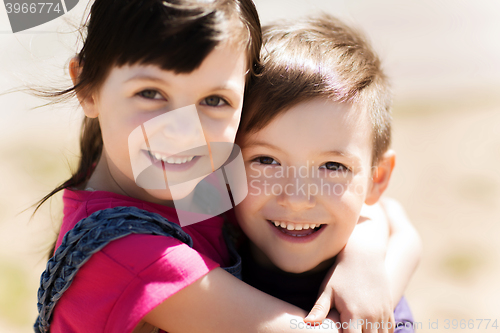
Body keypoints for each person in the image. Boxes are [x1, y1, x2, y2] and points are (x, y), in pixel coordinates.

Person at [32, 0, 418, 331]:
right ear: (86, 87)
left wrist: (362, 257)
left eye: (214, 100)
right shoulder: (126, 254)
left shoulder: (195, 183)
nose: (185, 131)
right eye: (150, 93)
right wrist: (380, 288)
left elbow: (389, 212)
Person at [233, 14, 422, 332]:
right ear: (223, 162)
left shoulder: (380, 314)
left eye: (332, 166)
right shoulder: (197, 232)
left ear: (377, 178)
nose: (295, 198)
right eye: (266, 160)